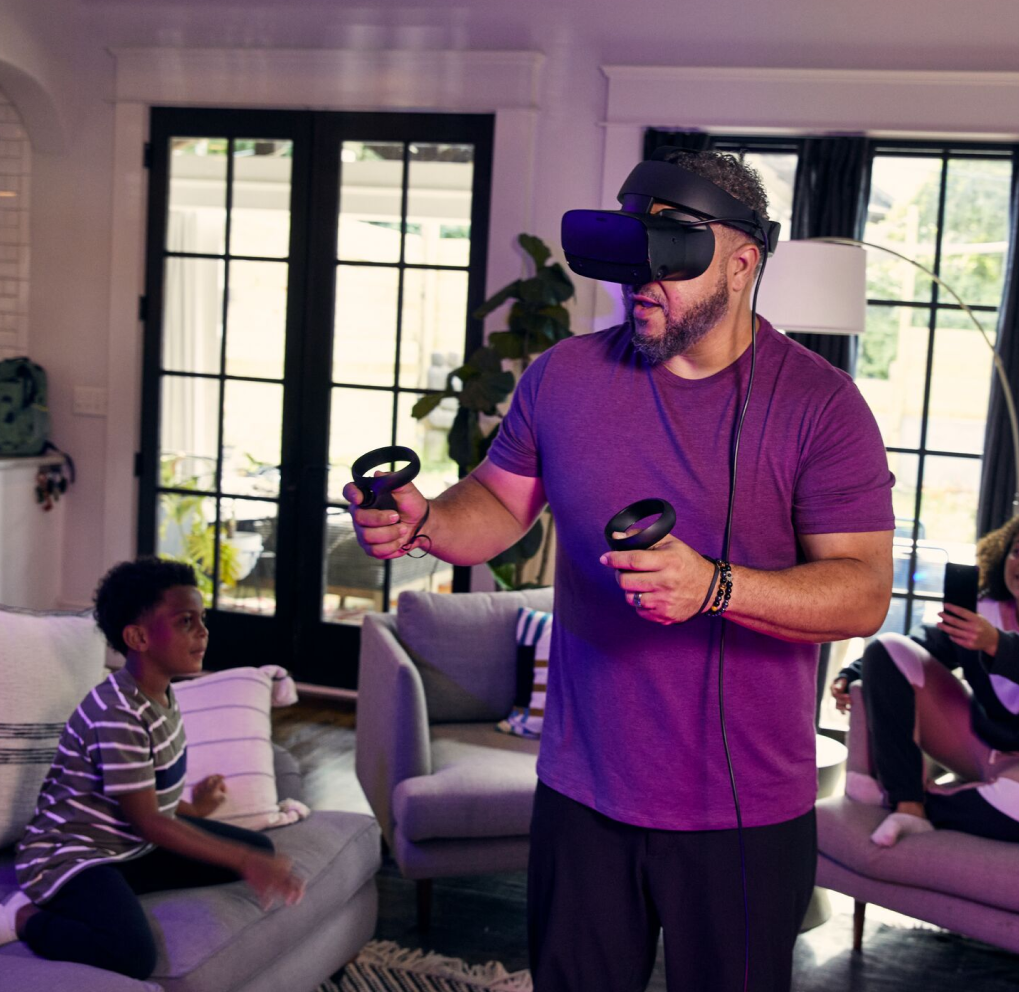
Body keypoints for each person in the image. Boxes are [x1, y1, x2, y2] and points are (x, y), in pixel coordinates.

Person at [347, 150, 895, 991]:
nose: (642, 280)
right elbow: (495, 504)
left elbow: (862, 592)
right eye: (631, 251)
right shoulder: (564, 376)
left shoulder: (820, 407)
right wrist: (426, 522)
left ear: (743, 261)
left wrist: (717, 586)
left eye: (670, 254)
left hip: (741, 810)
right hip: (582, 790)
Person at [0, 557, 305, 979]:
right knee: (130, 954)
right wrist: (244, 860)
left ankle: (109, 893)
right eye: (185, 622)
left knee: (260, 849)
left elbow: (150, 801)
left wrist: (198, 809)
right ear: (138, 637)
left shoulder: (162, 695)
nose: (203, 632)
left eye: (202, 619)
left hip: (126, 845)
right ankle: (25, 918)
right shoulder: (116, 714)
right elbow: (150, 822)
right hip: (70, 855)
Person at [831, 512, 1019, 848]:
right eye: (1018, 551)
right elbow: (923, 645)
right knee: (888, 647)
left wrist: (997, 643)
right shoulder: (984, 610)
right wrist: (851, 672)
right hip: (974, 743)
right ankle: (907, 802)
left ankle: (913, 803)